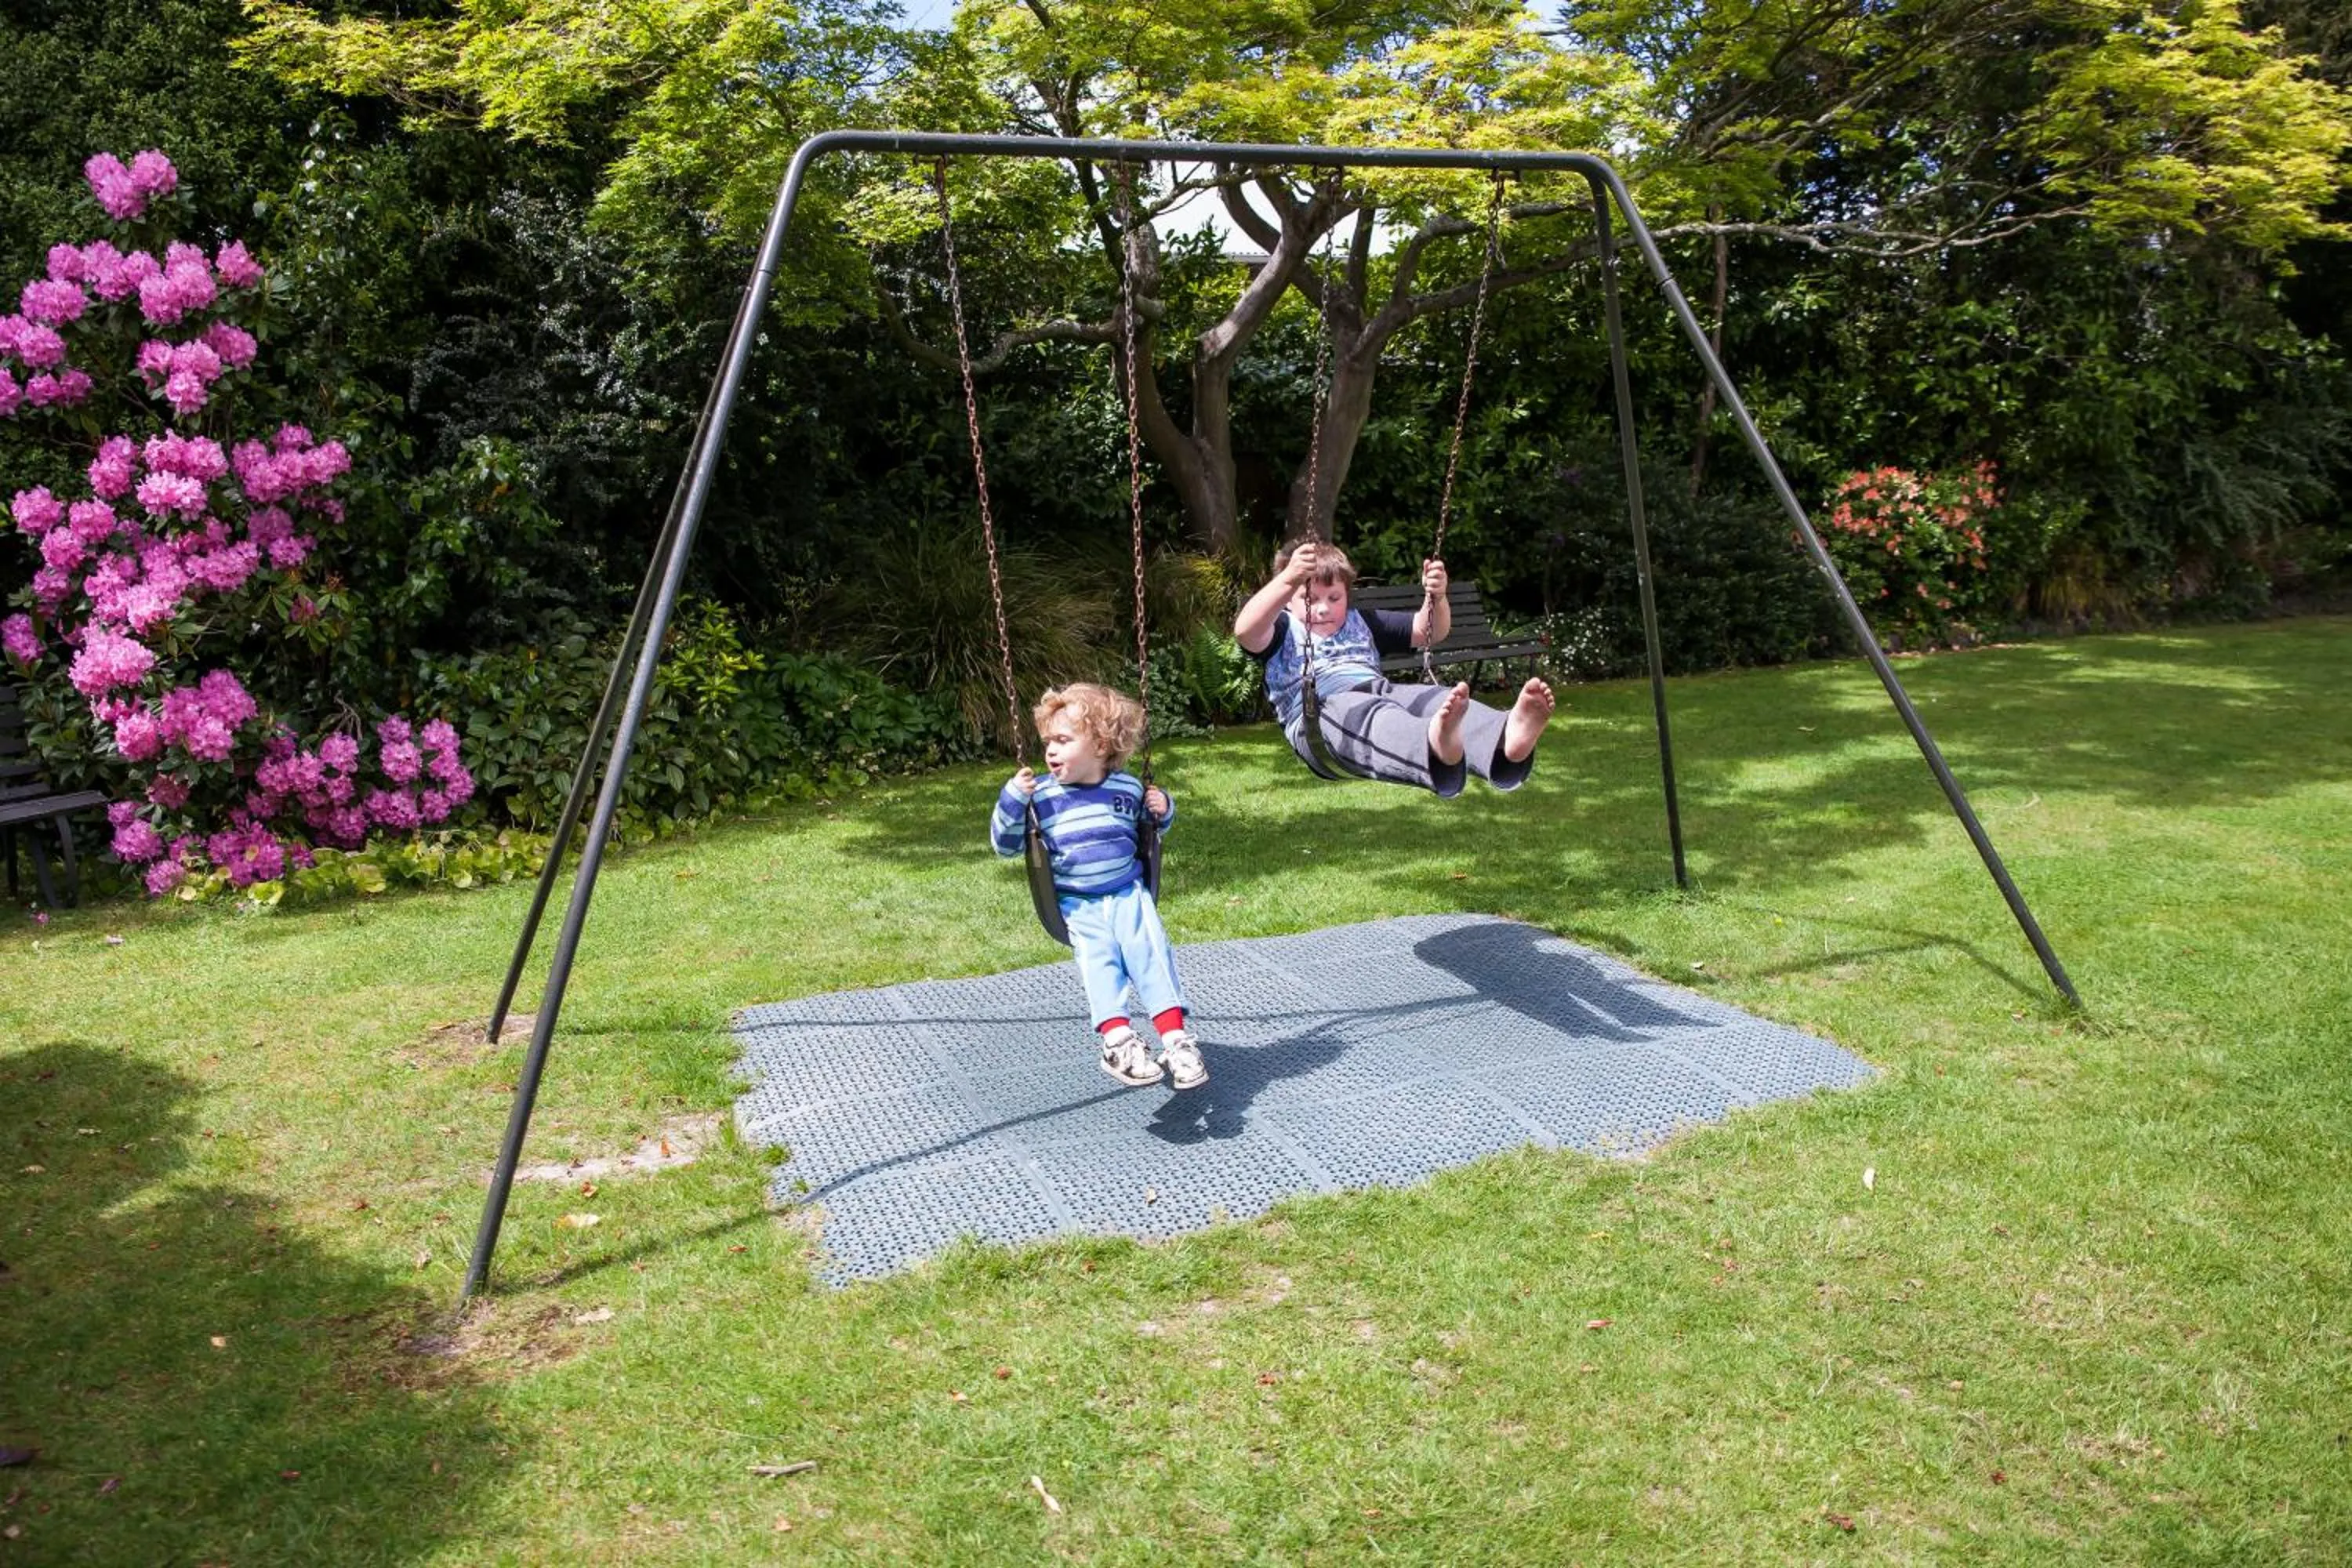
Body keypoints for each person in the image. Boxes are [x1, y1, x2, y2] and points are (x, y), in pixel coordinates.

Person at [989, 682, 1206, 1091]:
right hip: (1078, 903)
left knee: (1151, 953)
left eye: (1063, 740)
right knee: (1099, 962)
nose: (1051, 751)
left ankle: (1176, 1040)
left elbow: (1151, 831)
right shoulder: (1041, 797)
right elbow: (1005, 845)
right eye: (1048, 742)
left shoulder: (1127, 789)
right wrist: (1012, 799)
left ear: (1102, 746)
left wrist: (1164, 809)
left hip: (1128, 893)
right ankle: (1118, 1043)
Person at [1232, 539, 1555, 795]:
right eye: (1310, 598)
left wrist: (1436, 598)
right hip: (1319, 714)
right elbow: (1245, 631)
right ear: (1288, 598)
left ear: (1347, 595)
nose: (1323, 609)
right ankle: (1432, 744)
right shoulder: (1280, 629)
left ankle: (1505, 740)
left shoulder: (1363, 622)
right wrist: (1287, 578)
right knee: (1371, 716)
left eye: (1334, 598)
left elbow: (1428, 631)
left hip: (1380, 691)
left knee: (1433, 700)